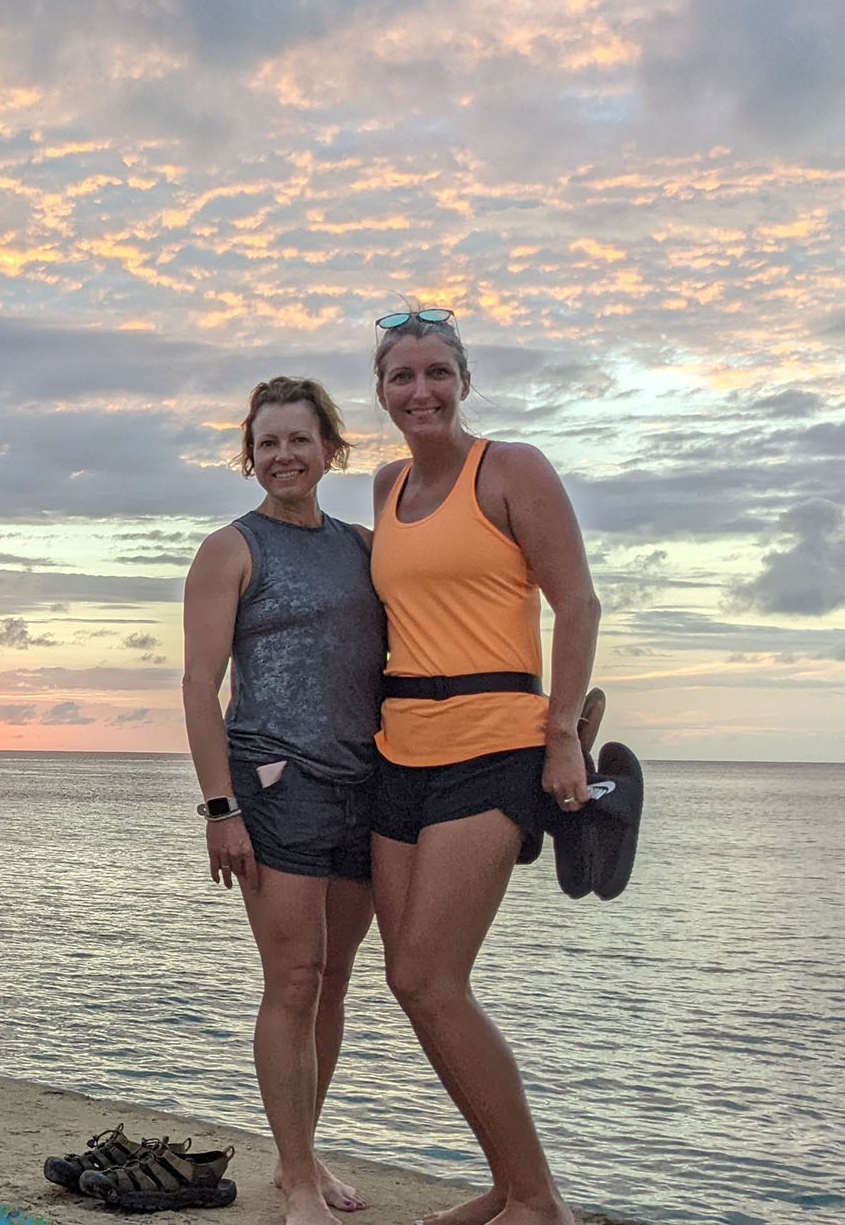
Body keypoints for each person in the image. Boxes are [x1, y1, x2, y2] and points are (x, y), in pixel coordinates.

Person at [367, 307, 599, 1225]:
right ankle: (507, 1184)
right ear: (380, 392)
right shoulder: (383, 486)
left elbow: (576, 604)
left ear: (463, 381)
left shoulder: (511, 469)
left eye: (436, 373)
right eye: (401, 377)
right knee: (407, 985)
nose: (419, 391)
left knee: (432, 977)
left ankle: (539, 1200)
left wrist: (563, 735)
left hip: (496, 745)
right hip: (397, 752)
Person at [182, 377, 386, 1225]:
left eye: (299, 440)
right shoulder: (232, 549)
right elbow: (200, 684)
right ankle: (299, 1178)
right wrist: (220, 808)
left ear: (331, 449)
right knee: (293, 978)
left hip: (367, 786)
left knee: (334, 980)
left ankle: (299, 1154)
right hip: (274, 790)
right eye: (268, 443)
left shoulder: (367, 548)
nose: (283, 456)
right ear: (250, 456)